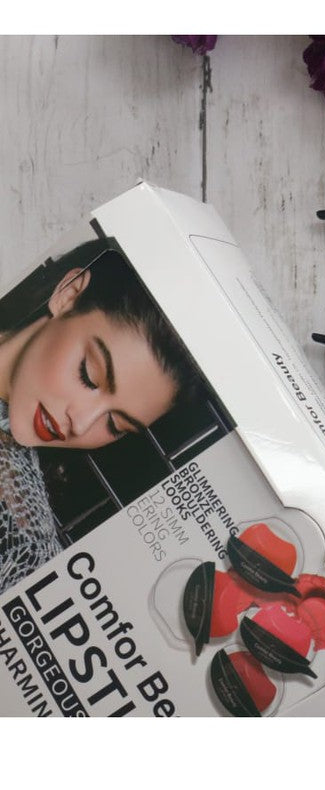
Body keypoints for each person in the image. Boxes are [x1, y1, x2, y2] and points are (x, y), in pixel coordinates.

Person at [0, 243, 197, 595]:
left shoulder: (27, 538)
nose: (80, 423)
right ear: (68, 294)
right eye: (89, 375)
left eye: (115, 426)